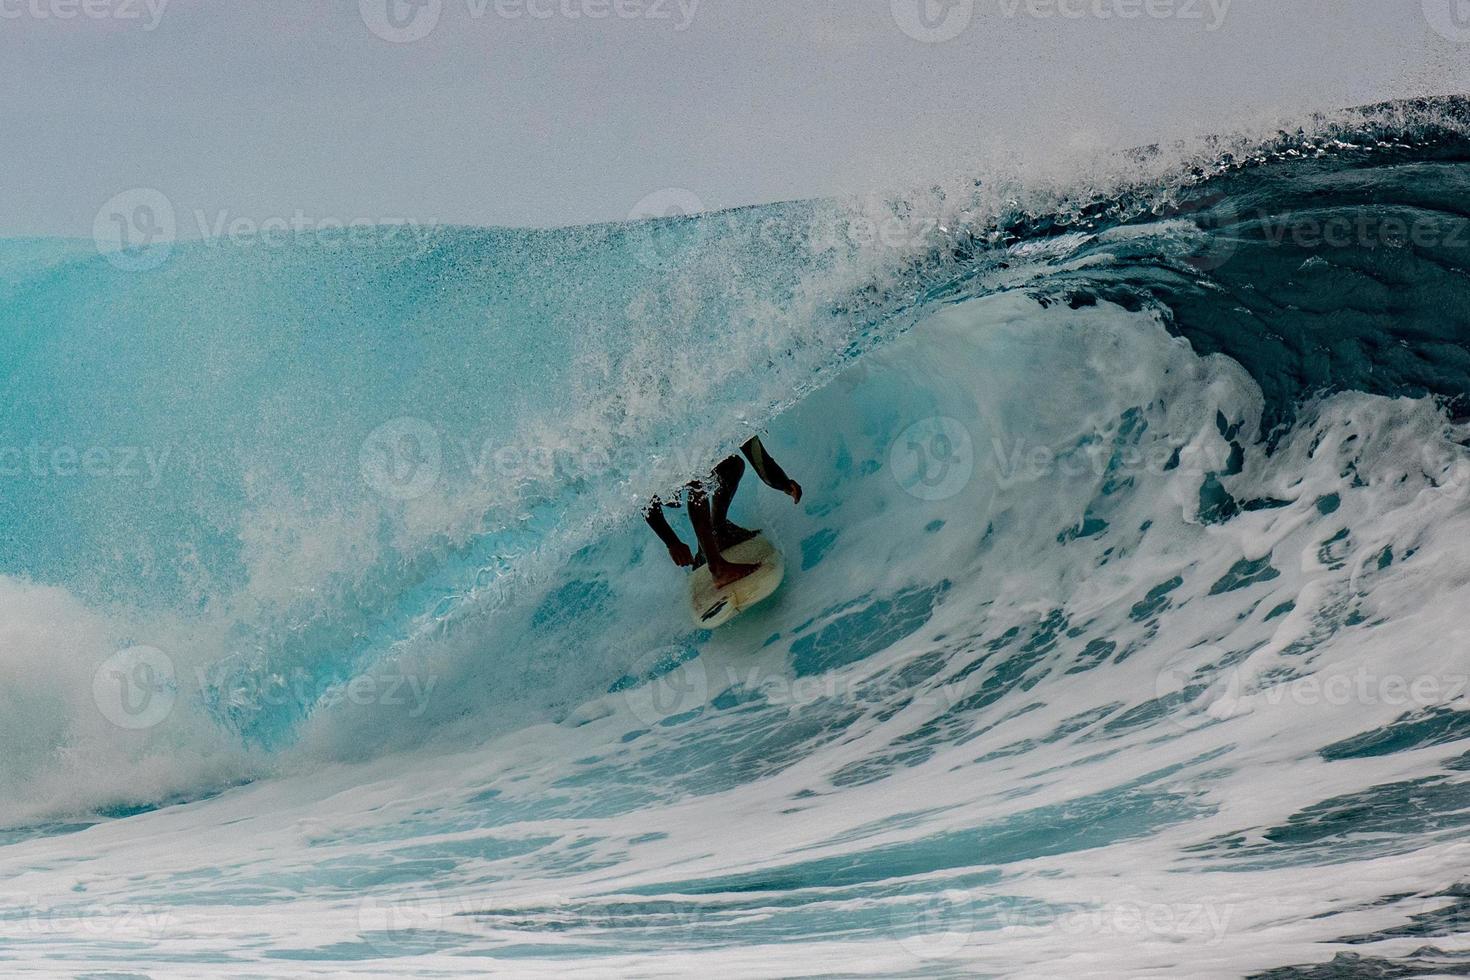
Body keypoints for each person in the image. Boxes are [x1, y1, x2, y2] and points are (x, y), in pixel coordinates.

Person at [644, 436, 802, 589]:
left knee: (732, 466)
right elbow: (642, 497)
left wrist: (783, 483)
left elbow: (757, 454)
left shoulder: (731, 412)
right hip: (658, 470)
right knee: (698, 480)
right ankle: (718, 568)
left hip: (685, 458)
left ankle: (719, 532)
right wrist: (672, 542)